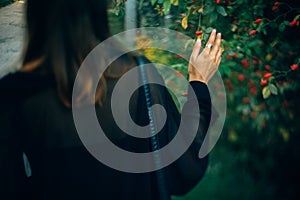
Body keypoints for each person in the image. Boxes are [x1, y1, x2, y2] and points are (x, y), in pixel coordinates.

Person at [0, 0, 223, 199]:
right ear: (99, 11)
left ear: (34, 12)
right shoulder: (139, 76)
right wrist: (198, 82)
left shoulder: (15, 94)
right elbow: (184, 169)